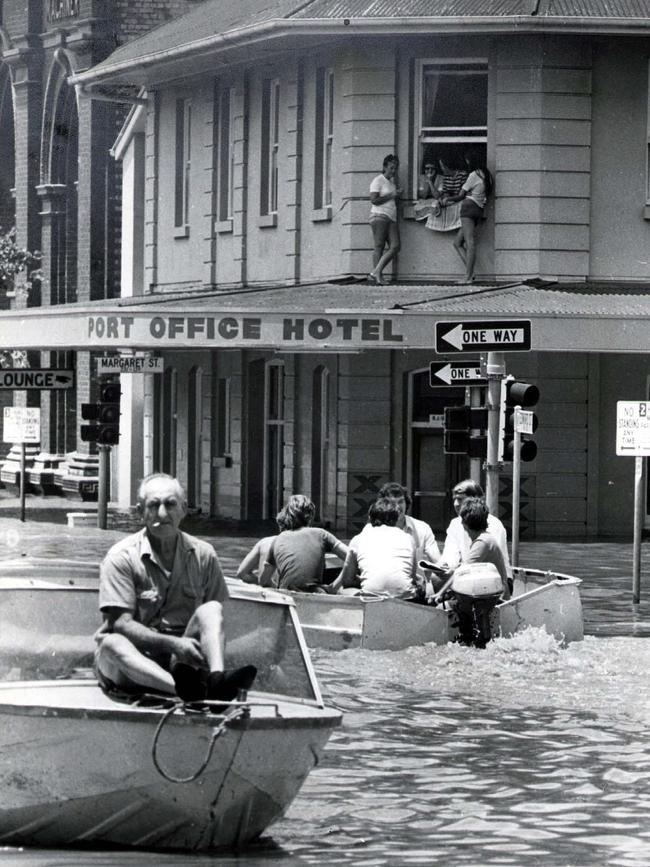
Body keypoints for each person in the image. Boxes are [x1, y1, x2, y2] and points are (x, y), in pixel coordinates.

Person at [95, 472, 257, 703]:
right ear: (141, 512)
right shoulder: (120, 557)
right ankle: (191, 693)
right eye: (154, 505)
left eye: (170, 504)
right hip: (131, 664)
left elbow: (214, 621)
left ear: (183, 509)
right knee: (111, 643)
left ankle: (217, 680)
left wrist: (184, 649)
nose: (163, 513)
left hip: (181, 662)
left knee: (211, 608)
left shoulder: (204, 554)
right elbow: (120, 624)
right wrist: (173, 643)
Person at [237, 495, 348, 593]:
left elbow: (261, 580)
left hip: (285, 595)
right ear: (310, 518)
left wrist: (276, 587)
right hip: (315, 592)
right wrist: (333, 587)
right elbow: (352, 555)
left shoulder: (277, 540)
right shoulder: (321, 534)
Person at [331, 497, 417, 597]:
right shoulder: (408, 538)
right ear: (396, 519)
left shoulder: (358, 539)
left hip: (370, 598)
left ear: (370, 518)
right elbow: (412, 577)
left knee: (342, 590)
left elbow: (347, 581)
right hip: (405, 598)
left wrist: (363, 580)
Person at [377, 482, 444, 591]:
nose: (398, 507)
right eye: (392, 503)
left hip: (415, 588)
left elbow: (437, 560)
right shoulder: (376, 529)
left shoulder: (422, 528)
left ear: (406, 502)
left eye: (401, 501)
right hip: (384, 588)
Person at [441, 149, 493, 283]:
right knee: (457, 243)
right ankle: (471, 273)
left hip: (468, 208)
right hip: (478, 210)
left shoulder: (473, 175)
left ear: (471, 161)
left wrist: (448, 199)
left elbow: (461, 195)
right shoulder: (487, 175)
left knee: (470, 242)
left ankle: (468, 277)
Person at [441, 479, 510, 576]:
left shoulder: (494, 524)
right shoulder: (455, 523)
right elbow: (451, 553)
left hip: (493, 576)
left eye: (460, 499)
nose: (456, 504)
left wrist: (458, 570)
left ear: (476, 500)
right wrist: (446, 565)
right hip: (468, 574)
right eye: (454, 499)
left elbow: (485, 561)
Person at [368, 154, 401, 285]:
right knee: (379, 246)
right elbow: (374, 200)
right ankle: (378, 276)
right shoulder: (378, 180)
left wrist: (396, 195)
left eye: (395, 168)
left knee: (396, 246)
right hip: (379, 216)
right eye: (391, 168)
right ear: (384, 167)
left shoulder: (391, 183)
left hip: (391, 217)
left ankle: (375, 272)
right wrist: (392, 195)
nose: (394, 171)